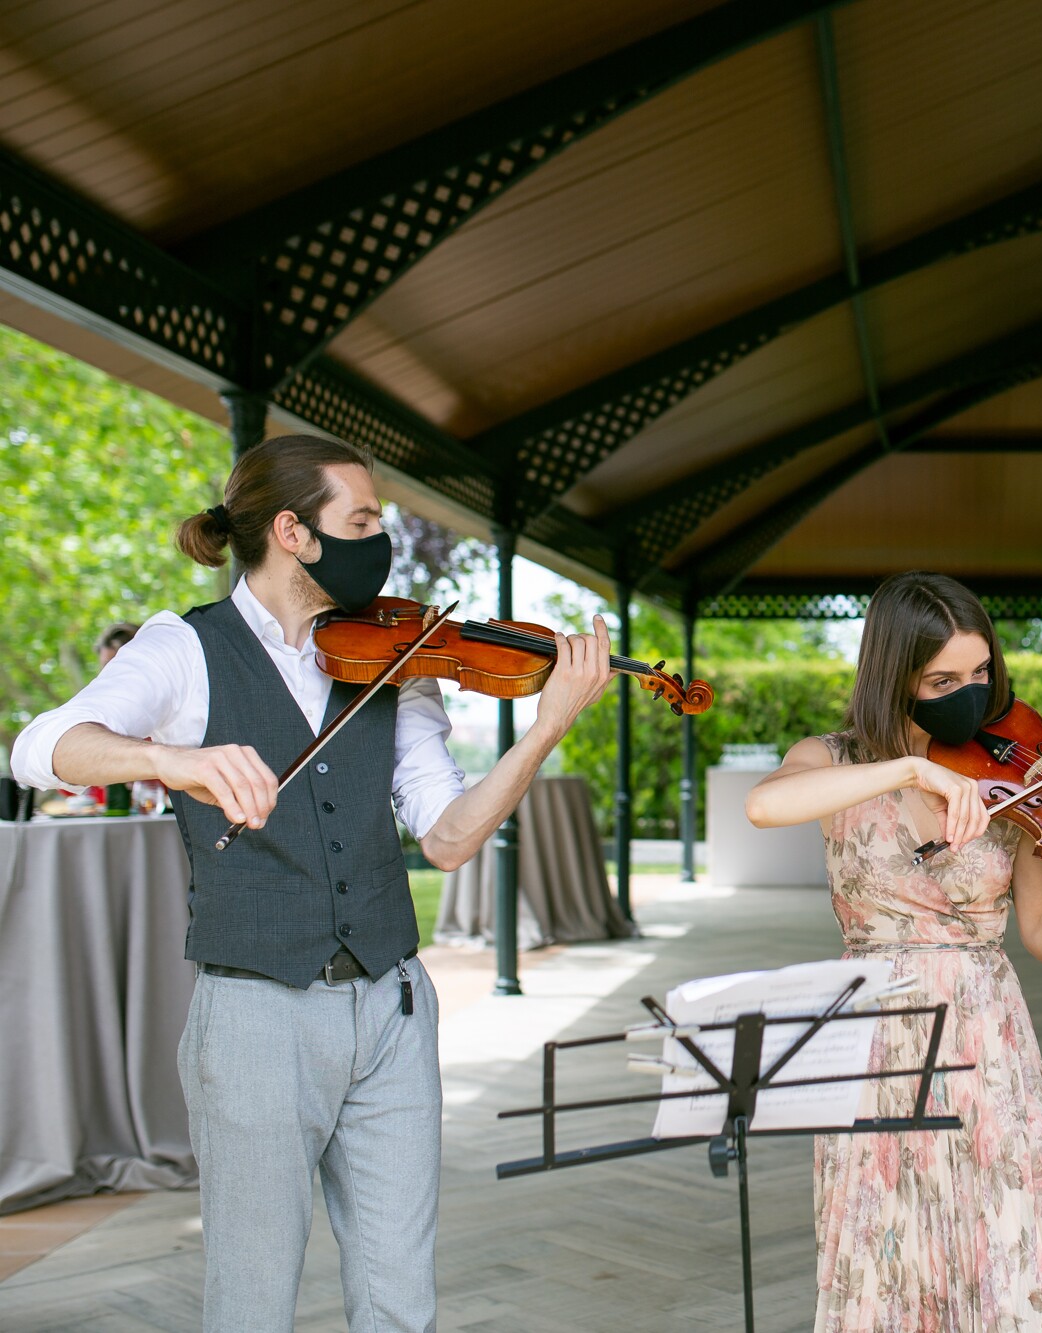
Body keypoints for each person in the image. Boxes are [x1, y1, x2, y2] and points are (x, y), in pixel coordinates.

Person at [10, 434, 613, 1332]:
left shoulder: (398, 658)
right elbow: (36, 748)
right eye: (363, 521)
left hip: (394, 1008)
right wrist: (168, 757)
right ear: (293, 531)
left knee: (400, 1296)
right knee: (252, 1302)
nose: (384, 543)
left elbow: (447, 838)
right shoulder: (186, 647)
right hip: (256, 1018)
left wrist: (544, 729)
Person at [745, 570, 1042, 1332]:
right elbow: (765, 804)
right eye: (942, 679)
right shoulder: (830, 758)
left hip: (982, 1036)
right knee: (885, 1242)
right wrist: (911, 766)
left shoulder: (1011, 775)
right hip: (872, 1036)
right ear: (894, 675)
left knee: (1001, 1243)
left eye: (980, 672)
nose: (968, 693)